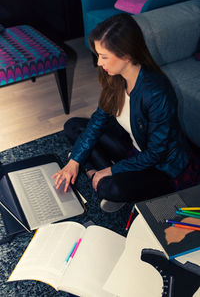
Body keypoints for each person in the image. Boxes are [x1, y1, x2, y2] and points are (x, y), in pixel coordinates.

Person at [53, 13, 200, 212]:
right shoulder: (114, 78)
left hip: (162, 167)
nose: (99, 63)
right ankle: (93, 171)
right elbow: (98, 121)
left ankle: (98, 174)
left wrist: (110, 170)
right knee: (73, 126)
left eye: (104, 57)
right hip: (133, 148)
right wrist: (74, 161)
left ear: (126, 54)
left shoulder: (156, 92)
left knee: (110, 188)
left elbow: (156, 154)